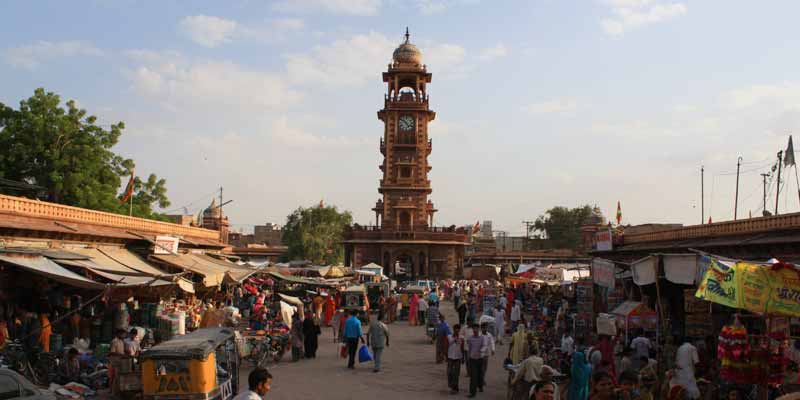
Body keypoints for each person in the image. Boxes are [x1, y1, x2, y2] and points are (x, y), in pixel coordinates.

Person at [466, 323, 487, 398]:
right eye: (474, 329)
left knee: (480, 375)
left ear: (479, 329)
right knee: (473, 376)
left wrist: (482, 350)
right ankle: (472, 392)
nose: (475, 330)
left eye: (476, 328)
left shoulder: (482, 338)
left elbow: (485, 345)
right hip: (473, 360)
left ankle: (480, 386)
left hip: (480, 359)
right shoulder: (470, 338)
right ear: (472, 330)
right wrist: (468, 358)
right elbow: (469, 348)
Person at [447, 324, 465, 394]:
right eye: (455, 329)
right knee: (449, 373)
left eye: (458, 329)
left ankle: (455, 388)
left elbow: (462, 347)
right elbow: (448, 344)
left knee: (456, 374)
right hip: (450, 357)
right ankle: (452, 386)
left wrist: (463, 357)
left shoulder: (461, 338)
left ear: (459, 330)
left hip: (458, 357)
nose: (457, 330)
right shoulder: (449, 336)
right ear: (453, 329)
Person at [480, 322, 495, 391]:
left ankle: (482, 379)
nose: (485, 329)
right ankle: (481, 380)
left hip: (486, 354)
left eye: (486, 327)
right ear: (481, 328)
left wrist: (493, 349)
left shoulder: (489, 335)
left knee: (484, 368)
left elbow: (492, 342)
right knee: (481, 368)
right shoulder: (479, 335)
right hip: (480, 354)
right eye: (484, 327)